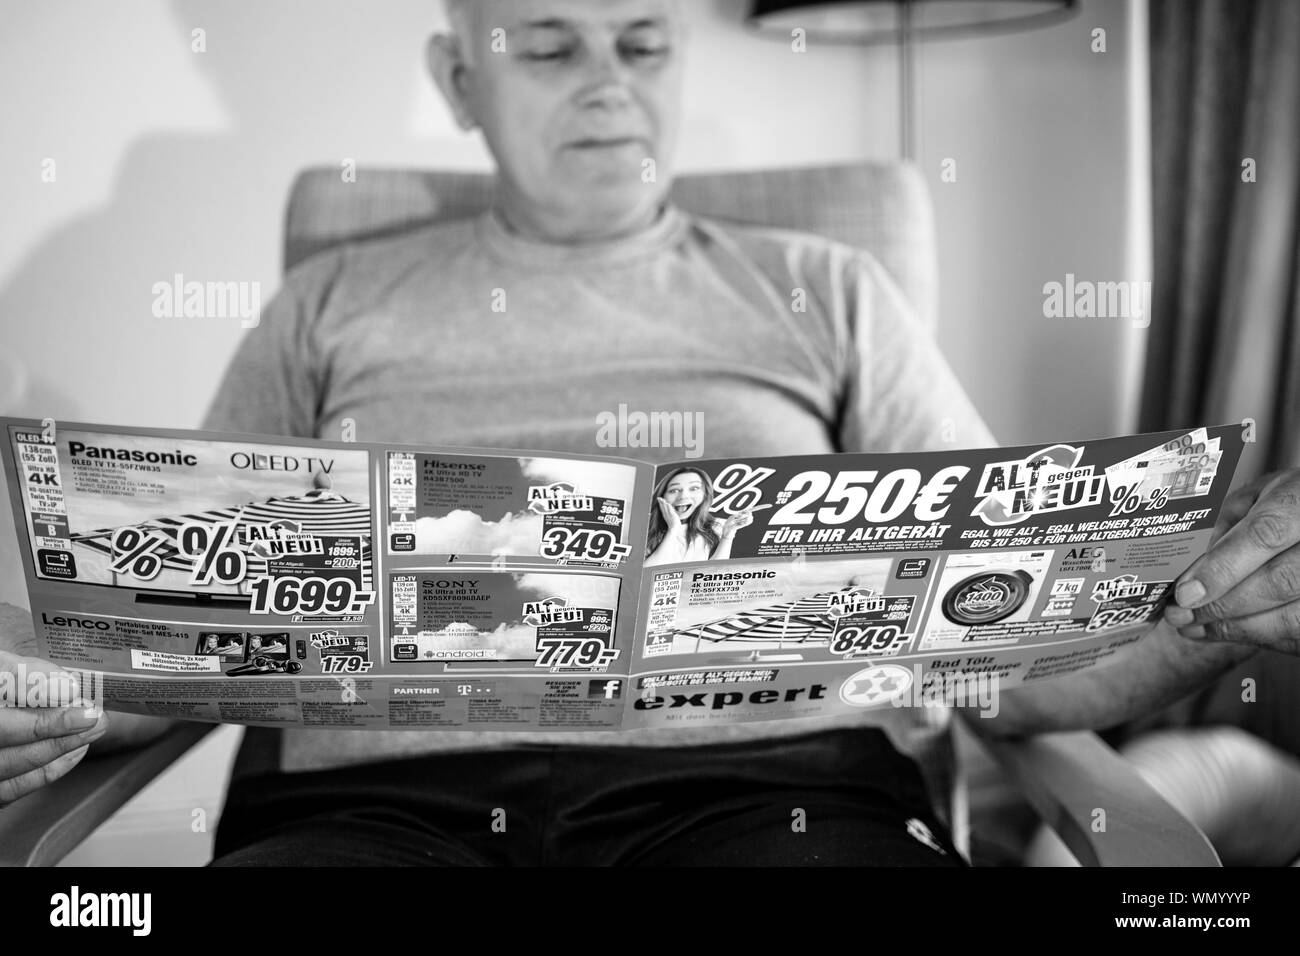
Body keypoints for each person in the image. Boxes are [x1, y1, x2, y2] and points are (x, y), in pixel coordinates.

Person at [2, 0, 1298, 865]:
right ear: (461, 78)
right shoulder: (326, 303)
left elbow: (1006, 649)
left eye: (643, 42)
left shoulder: (830, 288)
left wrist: (1208, 614)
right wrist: (43, 703)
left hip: (775, 794)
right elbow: (165, 637)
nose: (611, 86)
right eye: (552, 46)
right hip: (371, 810)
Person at [644, 466, 753, 566]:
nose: (683, 496)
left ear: (705, 494)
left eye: (694, 488)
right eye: (674, 490)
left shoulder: (717, 526)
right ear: (662, 496)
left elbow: (714, 575)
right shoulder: (645, 528)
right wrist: (673, 529)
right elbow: (644, 576)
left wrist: (727, 537)